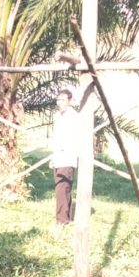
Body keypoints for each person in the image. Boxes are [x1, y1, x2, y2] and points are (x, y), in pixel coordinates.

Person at [51, 89, 79, 226]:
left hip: (67, 157)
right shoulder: (57, 116)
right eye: (58, 100)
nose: (60, 102)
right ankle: (66, 217)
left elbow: (75, 138)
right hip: (57, 158)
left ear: (70, 101)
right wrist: (53, 157)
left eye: (63, 99)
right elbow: (56, 138)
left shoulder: (74, 117)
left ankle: (61, 220)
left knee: (62, 189)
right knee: (62, 188)